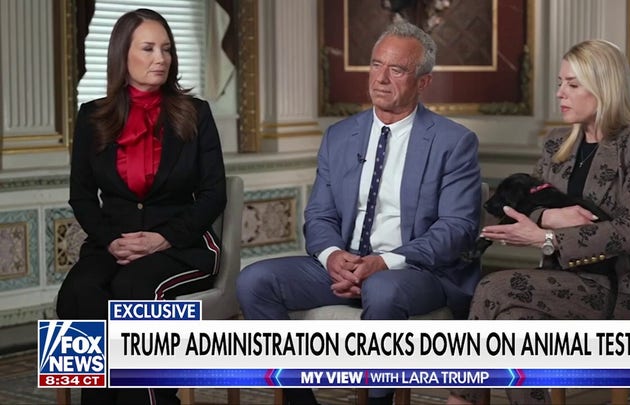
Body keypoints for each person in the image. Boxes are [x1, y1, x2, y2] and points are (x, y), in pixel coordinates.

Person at [236, 21, 482, 405]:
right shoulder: (339, 136)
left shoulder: (454, 141)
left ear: (423, 82)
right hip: (344, 265)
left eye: (396, 70)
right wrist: (333, 257)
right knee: (254, 280)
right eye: (376, 65)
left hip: (416, 272)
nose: (380, 79)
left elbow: (457, 228)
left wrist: (382, 263)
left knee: (381, 289)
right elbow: (319, 214)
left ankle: (377, 400)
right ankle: (300, 400)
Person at [447, 39, 630, 405]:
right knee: (512, 327)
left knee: (493, 287)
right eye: (560, 83)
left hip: (623, 287)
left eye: (572, 84)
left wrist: (549, 239)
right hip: (563, 282)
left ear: (604, 86)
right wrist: (550, 216)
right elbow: (518, 206)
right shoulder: (556, 143)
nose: (560, 93)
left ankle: (460, 400)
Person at [56, 9, 226, 405]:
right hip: (112, 243)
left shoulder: (196, 113)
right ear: (122, 55)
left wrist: (162, 239)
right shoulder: (92, 117)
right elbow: (82, 195)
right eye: (148, 49)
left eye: (166, 49)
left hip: (181, 245)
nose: (160, 59)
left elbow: (214, 193)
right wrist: (111, 241)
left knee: (132, 289)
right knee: (79, 291)